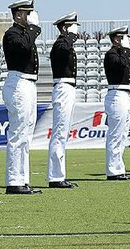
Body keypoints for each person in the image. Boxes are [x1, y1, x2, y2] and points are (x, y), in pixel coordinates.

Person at [1, 0, 43, 195]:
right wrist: (34, 28)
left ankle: (23, 179)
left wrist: (32, 30)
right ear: (18, 15)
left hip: (28, 83)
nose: (31, 16)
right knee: (18, 133)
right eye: (28, 13)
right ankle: (14, 180)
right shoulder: (12, 34)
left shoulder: (25, 34)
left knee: (26, 134)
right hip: (18, 83)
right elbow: (24, 47)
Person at [47, 11, 81, 189]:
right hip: (62, 87)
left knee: (63, 132)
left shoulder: (66, 43)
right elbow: (64, 48)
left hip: (68, 87)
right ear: (64, 27)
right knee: (59, 132)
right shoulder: (60, 44)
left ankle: (59, 174)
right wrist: (69, 35)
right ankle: (55, 176)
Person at [104, 26, 130, 180]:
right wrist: (126, 50)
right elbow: (121, 64)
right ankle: (113, 170)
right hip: (116, 94)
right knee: (115, 134)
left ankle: (119, 168)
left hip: (125, 94)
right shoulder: (111, 55)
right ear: (117, 39)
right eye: (123, 37)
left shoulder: (121, 54)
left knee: (123, 134)